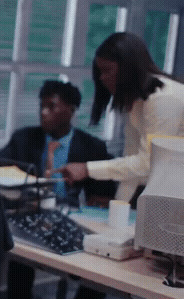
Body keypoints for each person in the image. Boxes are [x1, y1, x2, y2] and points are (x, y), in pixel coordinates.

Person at [0, 80, 116, 299]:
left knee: (99, 282)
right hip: (30, 216)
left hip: (74, 221)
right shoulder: (24, 138)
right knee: (20, 258)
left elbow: (103, 197)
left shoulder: (92, 148)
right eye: (41, 106)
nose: (44, 112)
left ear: (71, 109)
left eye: (52, 106)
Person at [56, 32, 184, 205]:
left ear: (128, 69)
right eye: (100, 71)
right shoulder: (137, 101)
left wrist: (87, 169)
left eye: (107, 70)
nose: (101, 78)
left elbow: (147, 164)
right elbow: (132, 163)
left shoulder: (163, 99)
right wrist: (118, 208)